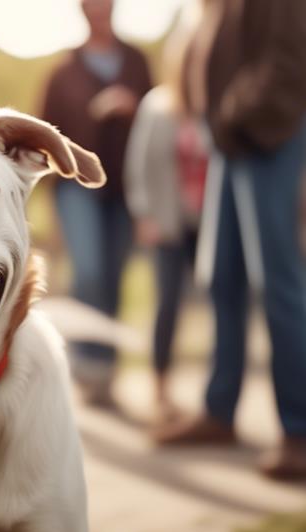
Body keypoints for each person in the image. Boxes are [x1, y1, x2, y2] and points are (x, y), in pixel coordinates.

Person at [154, 0, 306, 481]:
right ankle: (220, 412)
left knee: (276, 283)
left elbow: (289, 59)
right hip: (228, 142)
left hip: (265, 135)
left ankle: (300, 431)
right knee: (220, 277)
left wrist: (233, 114)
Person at [40, 0, 152, 405]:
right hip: (77, 189)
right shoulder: (62, 72)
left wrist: (134, 108)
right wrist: (52, 213)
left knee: (113, 277)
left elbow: (157, 123)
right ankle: (86, 368)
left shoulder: (138, 62)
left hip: (126, 189)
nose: (99, 9)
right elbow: (45, 141)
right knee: (87, 272)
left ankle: (104, 372)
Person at [124, 12, 209, 423]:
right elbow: (138, 166)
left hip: (209, 223)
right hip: (168, 222)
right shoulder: (157, 105)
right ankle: (160, 389)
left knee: (221, 303)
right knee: (168, 303)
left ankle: (214, 399)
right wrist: (145, 214)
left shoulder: (216, 108)